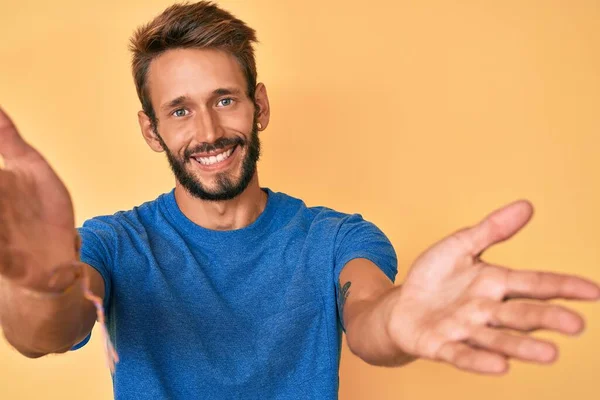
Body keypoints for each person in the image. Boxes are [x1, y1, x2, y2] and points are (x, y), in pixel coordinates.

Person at [0, 2, 598, 399]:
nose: (207, 130)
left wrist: (402, 319)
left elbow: (369, 317)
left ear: (259, 106)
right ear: (151, 130)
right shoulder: (115, 242)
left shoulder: (337, 238)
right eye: (179, 110)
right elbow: (44, 335)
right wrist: (48, 280)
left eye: (225, 100)